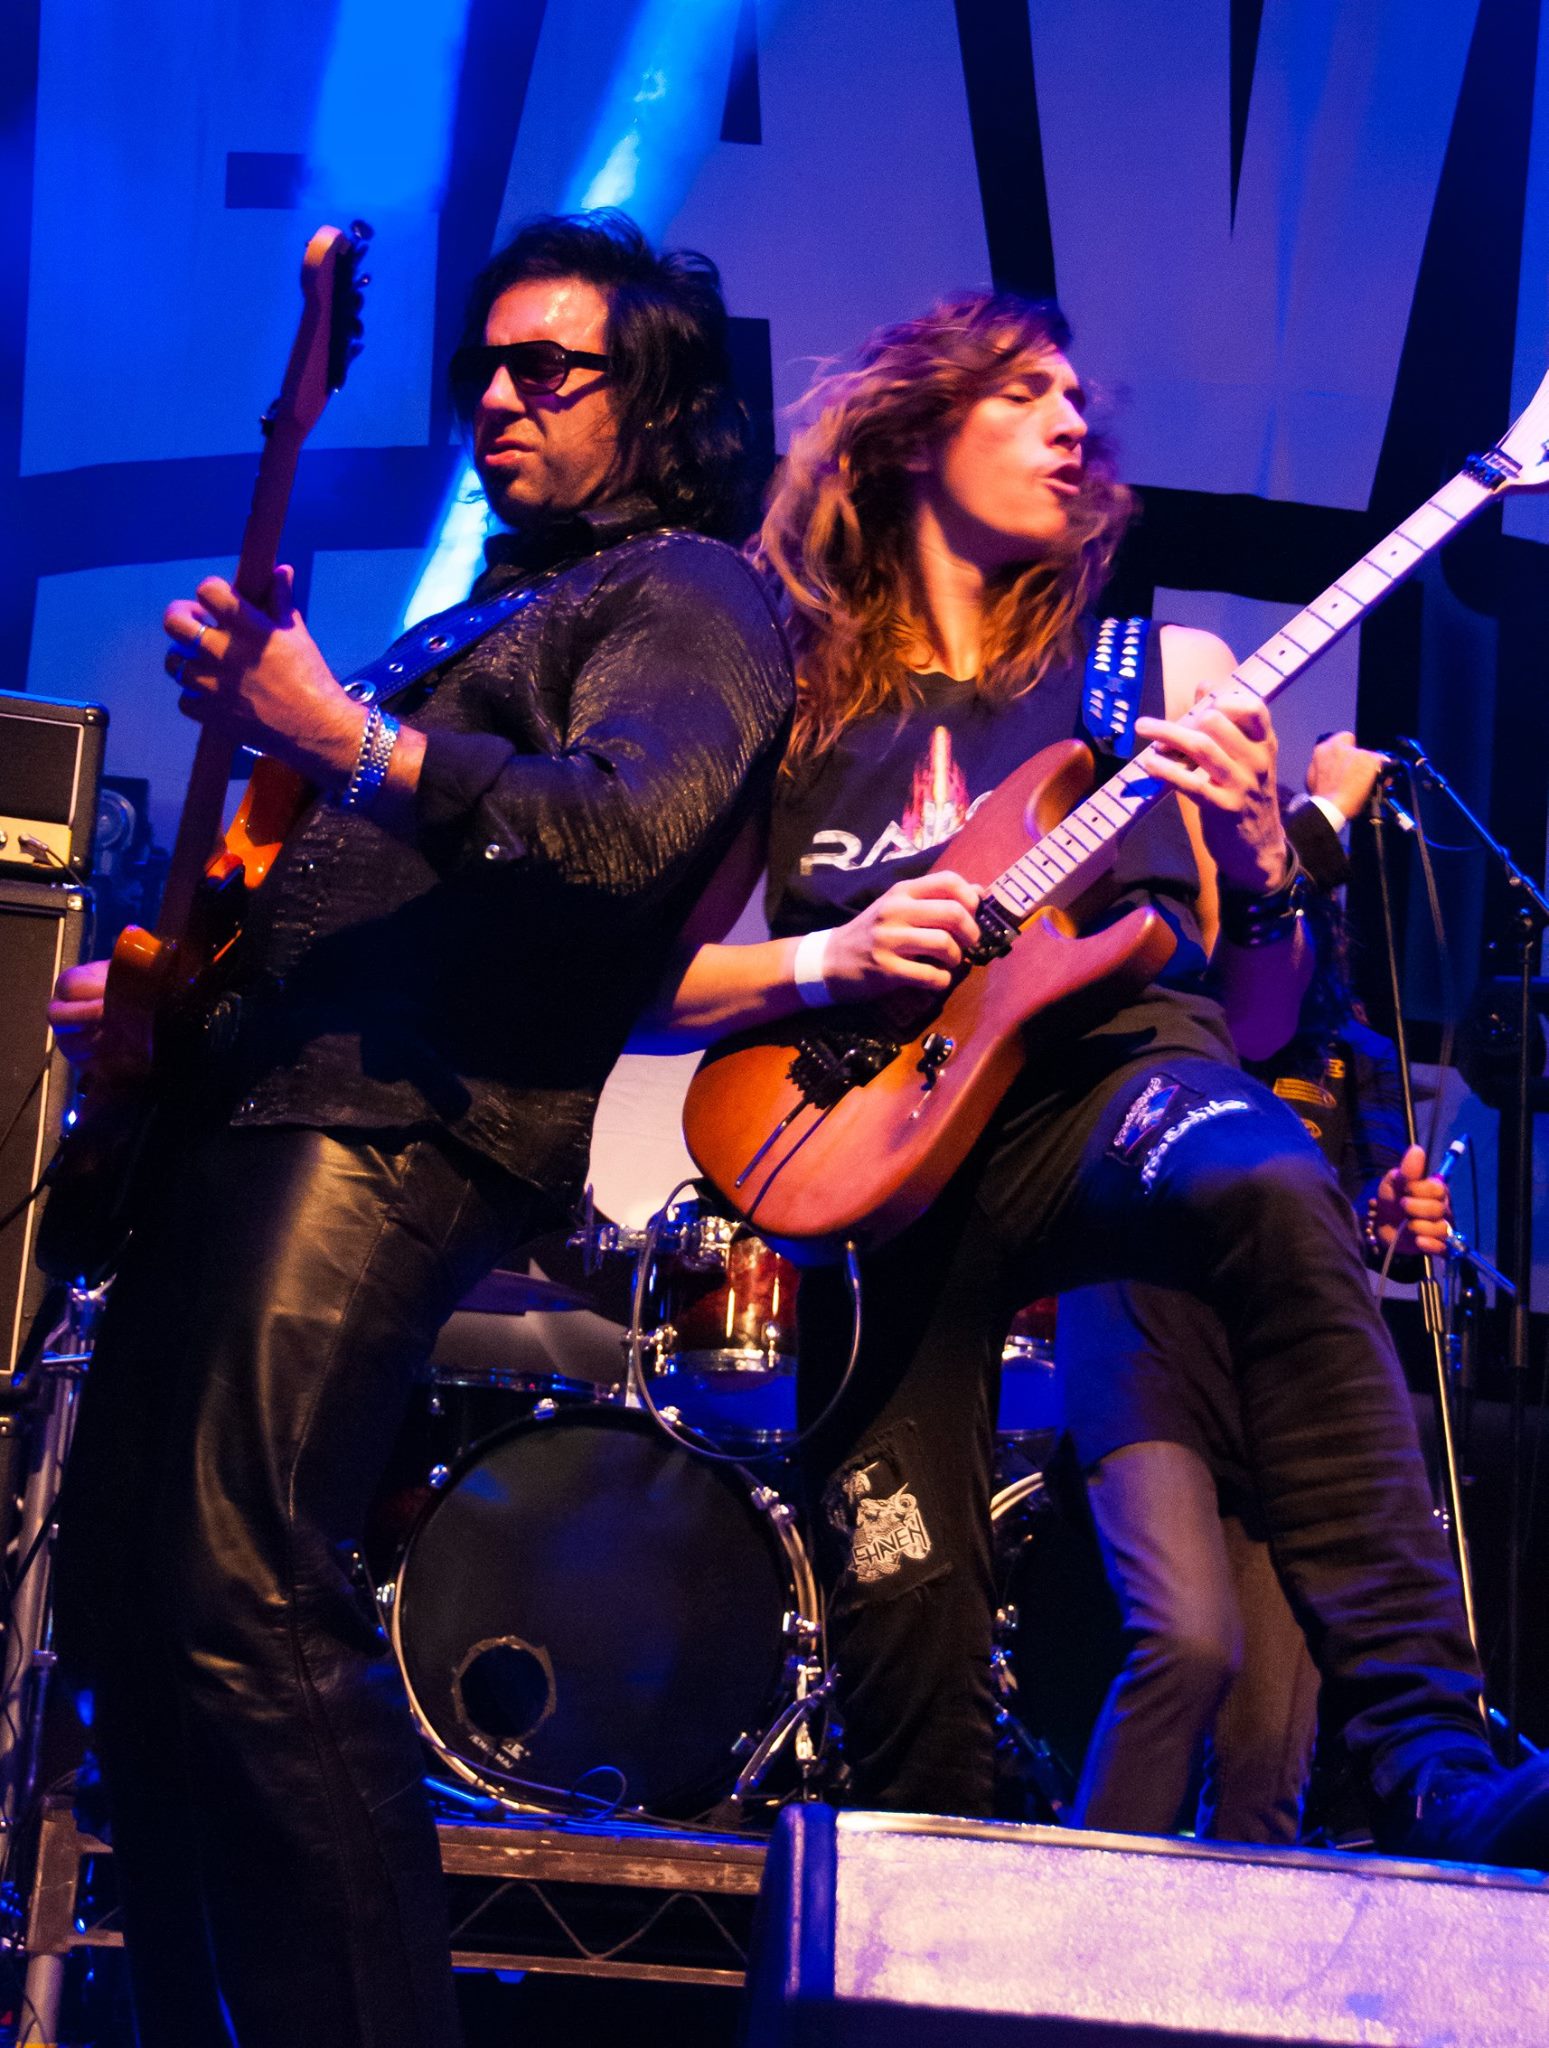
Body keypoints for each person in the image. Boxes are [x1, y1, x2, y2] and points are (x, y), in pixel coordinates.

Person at [645, 288, 1549, 1864]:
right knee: (903, 1623)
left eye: (1078, 398)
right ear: (911, 435)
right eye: (1022, 392)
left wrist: (1262, 864)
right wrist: (829, 960)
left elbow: (1259, 1018)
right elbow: (654, 989)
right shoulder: (797, 700)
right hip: (881, 1178)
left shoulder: (1156, 672)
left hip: (1114, 1095)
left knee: (1262, 1179)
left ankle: (1428, 1754)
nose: (1071, 420)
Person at [46, 211, 792, 2048]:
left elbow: (619, 832)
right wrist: (170, 998)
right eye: (484, 368)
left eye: (550, 367)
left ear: (658, 400)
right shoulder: (483, 615)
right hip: (257, 1110)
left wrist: (342, 734)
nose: (500, 398)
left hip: (393, 1126)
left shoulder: (696, 592)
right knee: (135, 1597)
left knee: (242, 1572)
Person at [1062, 734, 1454, 1845]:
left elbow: (1348, 1229)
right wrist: (1319, 822)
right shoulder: (1183, 995)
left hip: (1273, 1371)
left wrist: (1385, 1227)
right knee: (1186, 1644)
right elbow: (1236, 1020)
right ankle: (1069, 1924)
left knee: (1269, 1746)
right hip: (1142, 1325)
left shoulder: (1349, 1053)